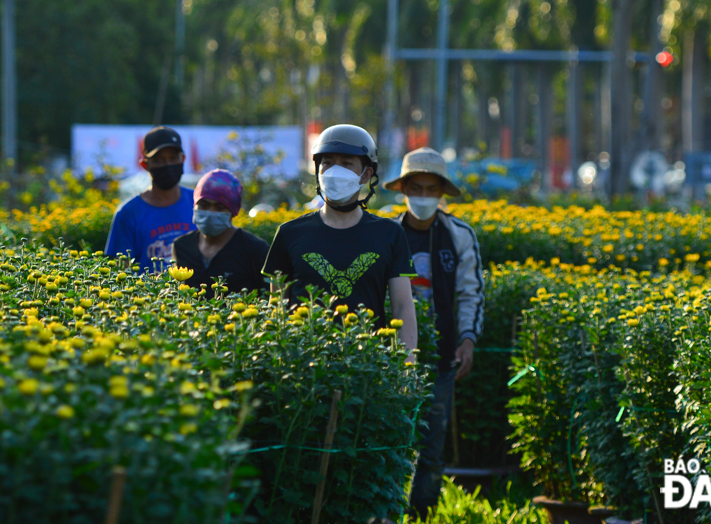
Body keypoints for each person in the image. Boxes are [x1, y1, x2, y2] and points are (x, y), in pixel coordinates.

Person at [383, 146, 484, 519]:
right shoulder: (386, 232)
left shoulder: (459, 235)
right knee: (389, 440)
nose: (423, 197)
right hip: (390, 356)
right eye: (416, 188)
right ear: (404, 189)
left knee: (431, 446)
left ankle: (420, 514)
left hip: (440, 356)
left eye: (431, 189)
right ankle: (386, 510)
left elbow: (471, 291)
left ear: (442, 193)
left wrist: (468, 340)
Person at [261, 124, 418, 358]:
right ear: (318, 170)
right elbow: (277, 308)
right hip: (305, 368)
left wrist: (408, 365)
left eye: (346, 163)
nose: (335, 170)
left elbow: (403, 306)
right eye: (327, 162)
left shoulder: (389, 234)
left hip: (366, 366)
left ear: (365, 174)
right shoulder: (289, 233)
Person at [105, 126, 195, 272]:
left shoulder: (199, 203)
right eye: (159, 160)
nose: (167, 165)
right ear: (145, 165)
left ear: (183, 159)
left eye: (173, 158)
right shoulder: (128, 214)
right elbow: (120, 272)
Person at [171, 169, 269, 296]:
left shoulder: (255, 249)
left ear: (233, 211)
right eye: (204, 205)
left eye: (220, 207)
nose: (211, 212)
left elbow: (268, 297)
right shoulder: (182, 247)